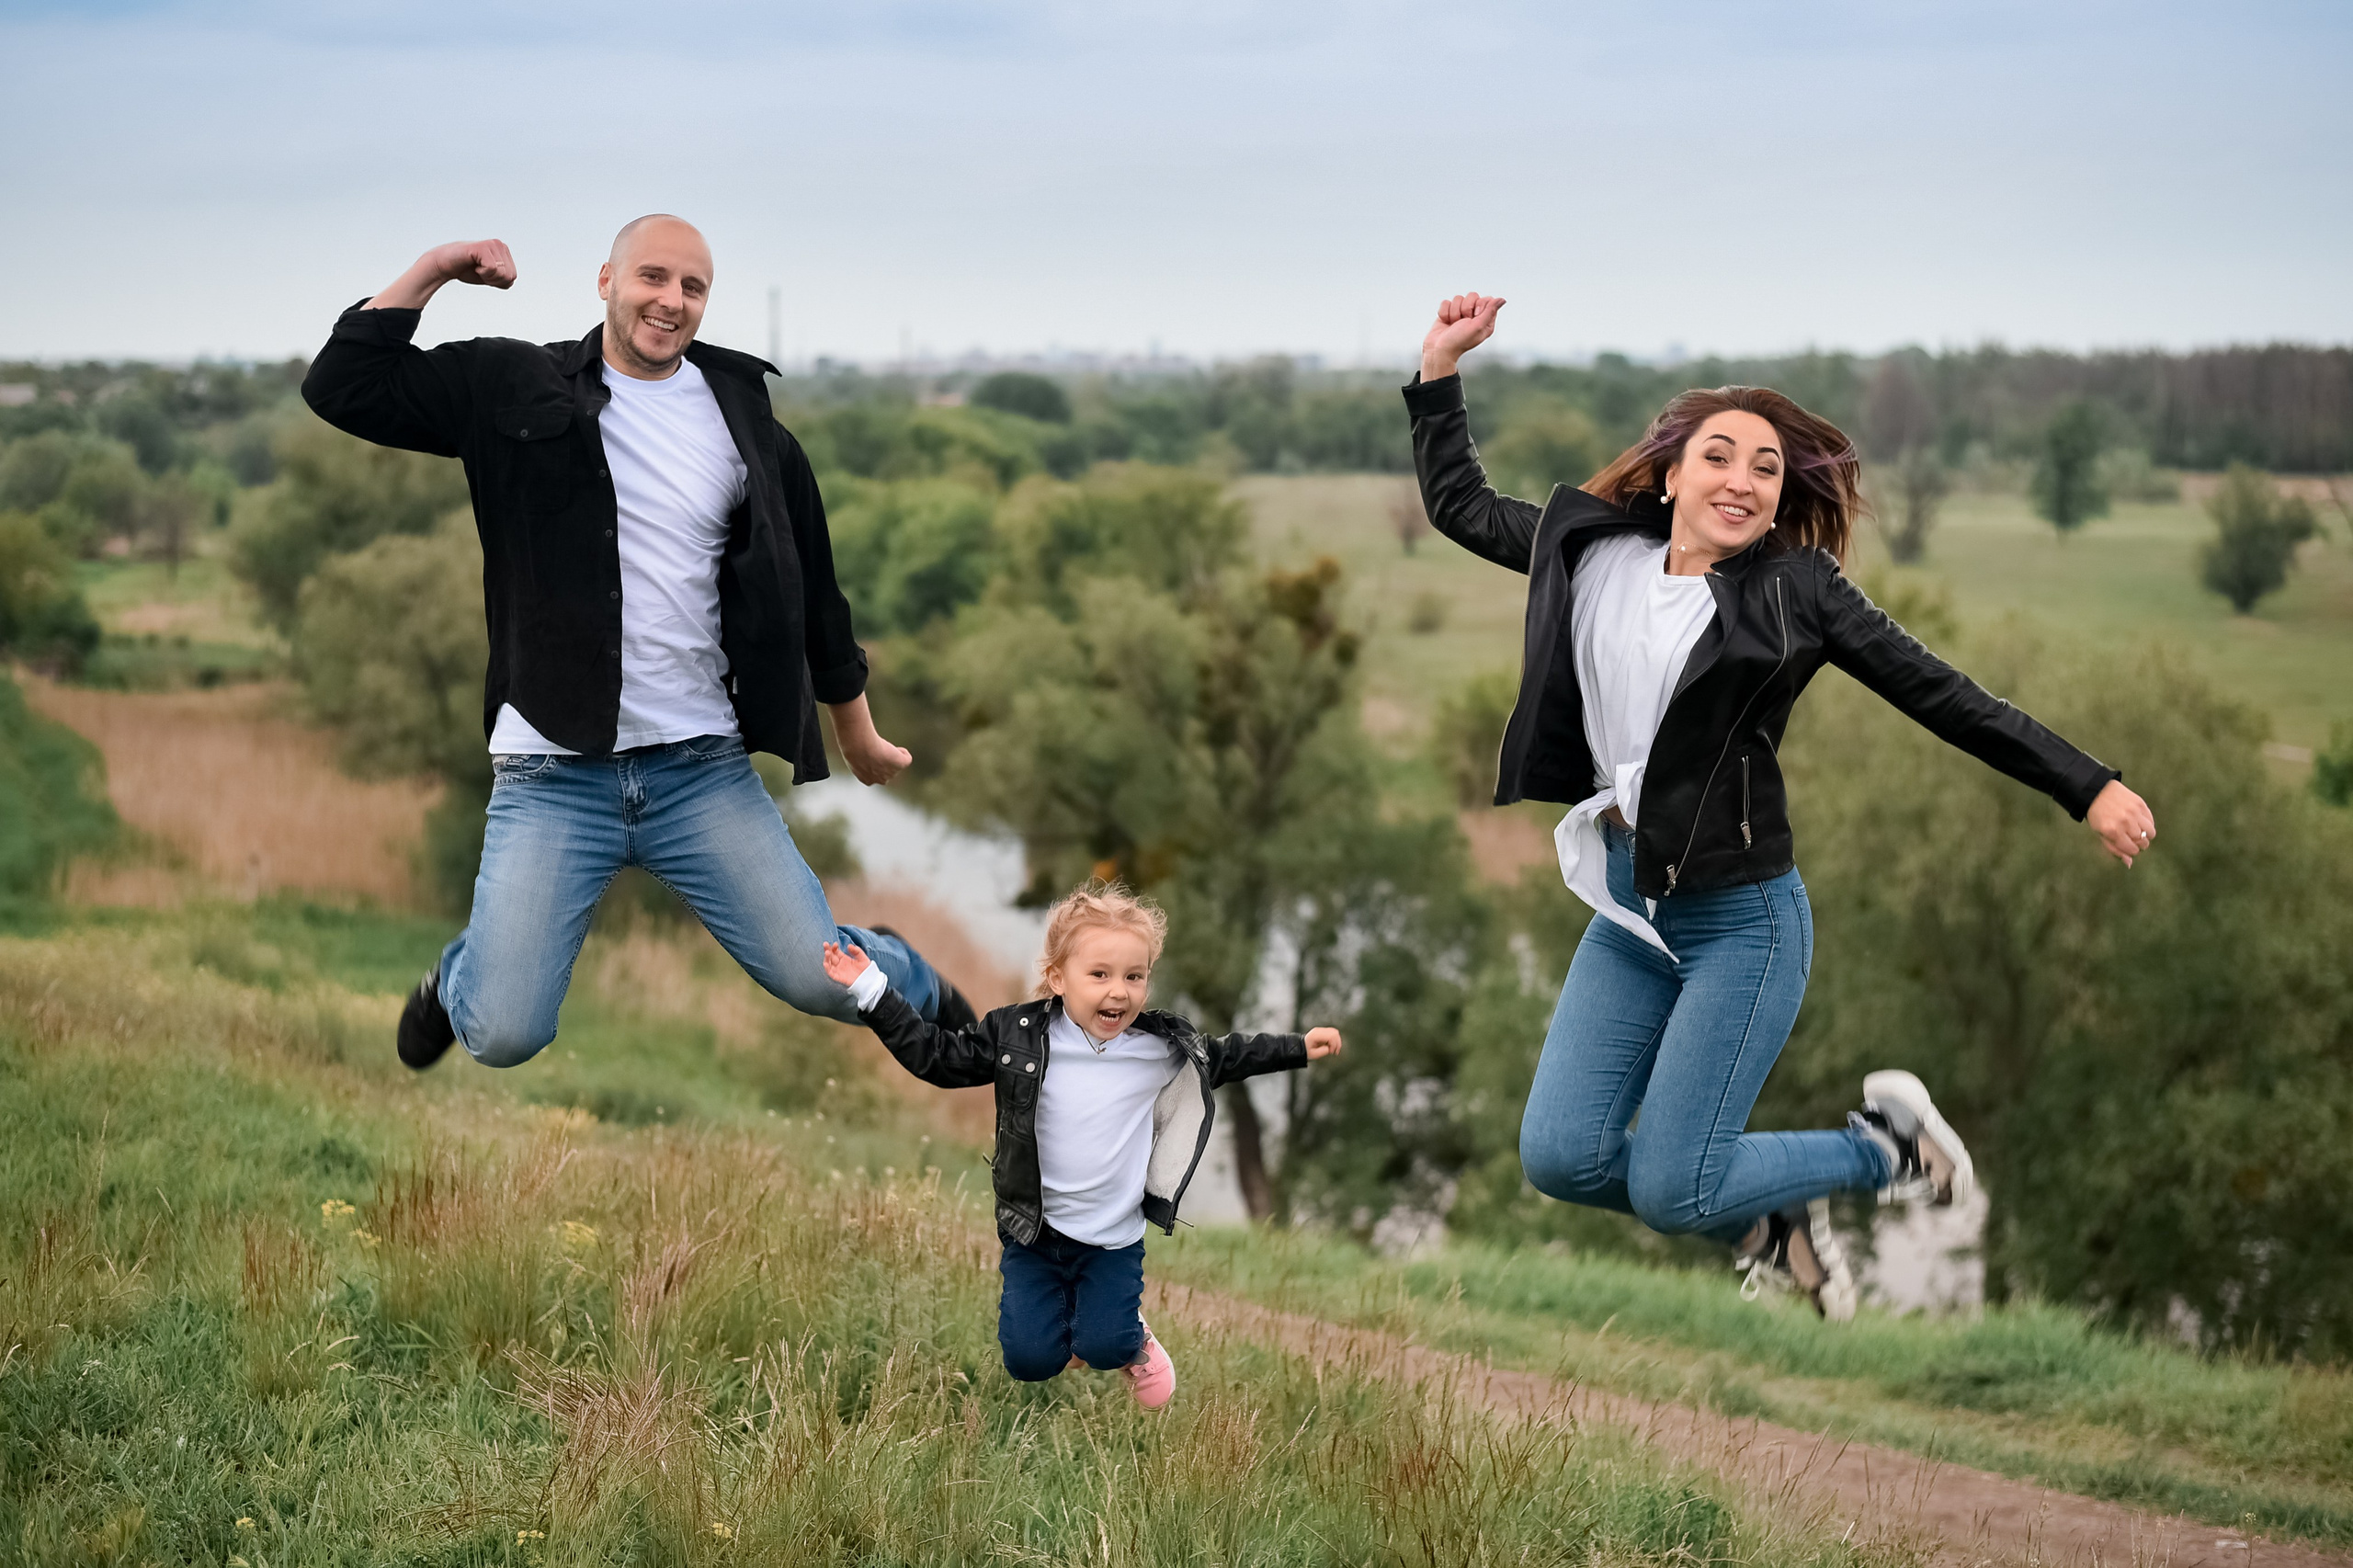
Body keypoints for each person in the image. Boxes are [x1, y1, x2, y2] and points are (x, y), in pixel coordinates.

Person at [1405, 292, 2158, 1319]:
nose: (1744, 479)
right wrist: (1440, 368)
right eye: (1719, 455)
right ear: (1670, 473)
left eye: (1766, 468)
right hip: (1633, 905)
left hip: (1739, 919)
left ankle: (1882, 1148)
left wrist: (2089, 784)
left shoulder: (1796, 590)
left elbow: (1943, 694)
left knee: (1674, 1186)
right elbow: (1459, 505)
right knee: (1561, 1155)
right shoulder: (1590, 550)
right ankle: (1772, 1223)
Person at [301, 219, 974, 1071]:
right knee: (505, 1033)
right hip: (552, 775)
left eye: (693, 287)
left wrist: (858, 733)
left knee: (822, 980)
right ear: (606, 282)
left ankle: (902, 965)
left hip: (698, 772)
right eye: (653, 277)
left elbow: (816, 595)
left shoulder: (751, 434)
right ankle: (459, 977)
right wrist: (436, 269)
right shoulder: (512, 385)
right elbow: (343, 385)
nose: (671, 300)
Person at [821, 884, 1342, 1406]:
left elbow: (1228, 1055)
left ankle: (1126, 1332)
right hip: (1035, 1235)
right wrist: (872, 988)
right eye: (1100, 975)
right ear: (1057, 978)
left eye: (1134, 977)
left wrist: (1298, 1048)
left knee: (1106, 1344)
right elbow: (938, 1058)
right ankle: (1080, 1318)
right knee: (1029, 1361)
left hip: (1112, 1241)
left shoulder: (1157, 1049)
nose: (1119, 991)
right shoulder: (1016, 1037)